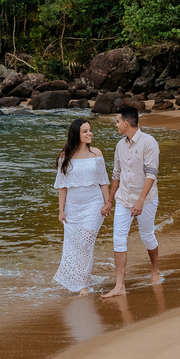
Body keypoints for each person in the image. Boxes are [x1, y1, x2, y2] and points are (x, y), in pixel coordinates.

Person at [102, 106, 161, 296]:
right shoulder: (119, 145)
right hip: (123, 199)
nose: (116, 124)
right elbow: (116, 174)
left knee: (147, 235)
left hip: (146, 199)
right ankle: (120, 286)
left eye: (117, 121)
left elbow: (151, 173)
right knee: (118, 238)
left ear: (126, 123)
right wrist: (110, 200)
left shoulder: (149, 143)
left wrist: (140, 201)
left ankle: (155, 269)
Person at [52, 118, 111, 296]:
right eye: (85, 131)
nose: (89, 133)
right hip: (73, 206)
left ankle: (82, 284)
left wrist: (108, 203)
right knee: (75, 244)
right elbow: (62, 186)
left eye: (90, 130)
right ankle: (80, 281)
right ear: (76, 134)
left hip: (94, 204)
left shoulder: (97, 154)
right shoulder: (65, 156)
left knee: (85, 241)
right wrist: (61, 211)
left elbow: (103, 181)